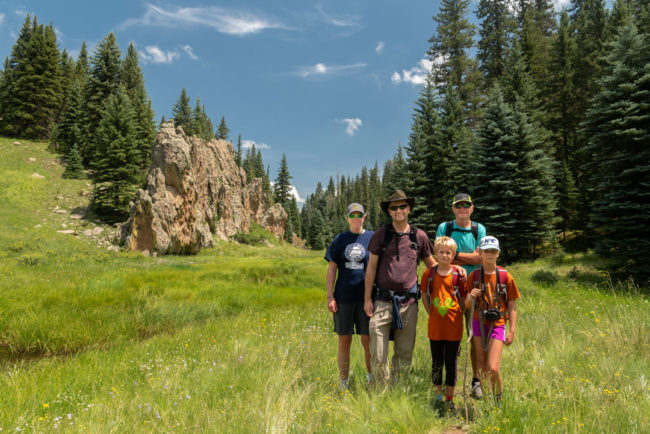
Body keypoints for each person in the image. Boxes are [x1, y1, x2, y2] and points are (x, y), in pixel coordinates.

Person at [364, 190, 466, 385]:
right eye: (394, 208)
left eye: (403, 206)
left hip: (408, 303)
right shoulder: (381, 235)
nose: (399, 210)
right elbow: (371, 268)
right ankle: (380, 393)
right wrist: (367, 299)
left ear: (409, 209)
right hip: (382, 301)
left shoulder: (418, 236)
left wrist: (454, 269)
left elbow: (434, 266)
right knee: (378, 351)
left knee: (404, 351)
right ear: (389, 211)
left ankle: (398, 391)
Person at [436, 193, 486, 399]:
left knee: (475, 336)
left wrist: (454, 256)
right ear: (453, 208)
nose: (463, 208)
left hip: (474, 288)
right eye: (459, 205)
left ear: (472, 208)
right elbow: (439, 255)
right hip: (450, 288)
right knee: (450, 337)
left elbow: (480, 257)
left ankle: (476, 381)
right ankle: (451, 381)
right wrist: (466, 262)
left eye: (467, 205)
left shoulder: (478, 229)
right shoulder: (444, 227)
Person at [465, 236, 520, 408]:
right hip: (479, 322)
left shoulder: (505, 276)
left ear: (498, 254)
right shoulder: (473, 276)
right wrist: (470, 296)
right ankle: (488, 402)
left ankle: (498, 400)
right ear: (480, 253)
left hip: (498, 323)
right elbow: (467, 305)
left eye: (493, 251)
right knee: (481, 367)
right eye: (486, 251)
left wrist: (511, 331)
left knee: (493, 367)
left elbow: (512, 304)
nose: (490, 254)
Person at [325, 203, 374, 390]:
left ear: (364, 217)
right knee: (344, 339)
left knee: (367, 340)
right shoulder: (340, 239)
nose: (356, 218)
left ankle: (371, 380)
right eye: (352, 215)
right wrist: (330, 296)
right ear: (347, 218)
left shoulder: (371, 238)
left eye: (359, 215)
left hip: (366, 298)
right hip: (343, 298)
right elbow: (332, 269)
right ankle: (343, 383)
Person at [421, 236, 467, 414]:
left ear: (454, 255)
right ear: (435, 253)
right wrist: (429, 310)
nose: (445, 255)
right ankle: (437, 397)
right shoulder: (428, 274)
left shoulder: (458, 275)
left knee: (451, 362)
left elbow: (463, 298)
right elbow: (424, 294)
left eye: (448, 253)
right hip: (435, 327)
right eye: (441, 252)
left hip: (454, 326)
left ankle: (449, 399)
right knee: (437, 362)